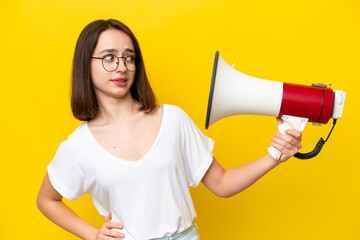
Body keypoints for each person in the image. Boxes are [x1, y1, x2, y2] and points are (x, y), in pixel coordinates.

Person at [36, 19, 302, 240]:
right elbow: (47, 200)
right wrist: (93, 235)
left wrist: (276, 154)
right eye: (109, 58)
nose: (122, 66)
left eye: (129, 57)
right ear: (86, 64)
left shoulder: (173, 119)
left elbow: (222, 184)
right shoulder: (78, 146)